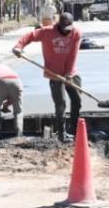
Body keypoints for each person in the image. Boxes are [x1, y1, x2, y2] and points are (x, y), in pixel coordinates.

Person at [13, 12, 82, 142]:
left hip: (71, 72)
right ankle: (62, 134)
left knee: (77, 101)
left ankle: (75, 130)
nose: (66, 31)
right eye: (63, 28)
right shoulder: (47, 32)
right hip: (54, 74)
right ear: (58, 25)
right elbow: (30, 35)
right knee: (60, 104)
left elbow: (73, 54)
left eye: (68, 29)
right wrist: (18, 46)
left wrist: (69, 73)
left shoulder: (76, 33)